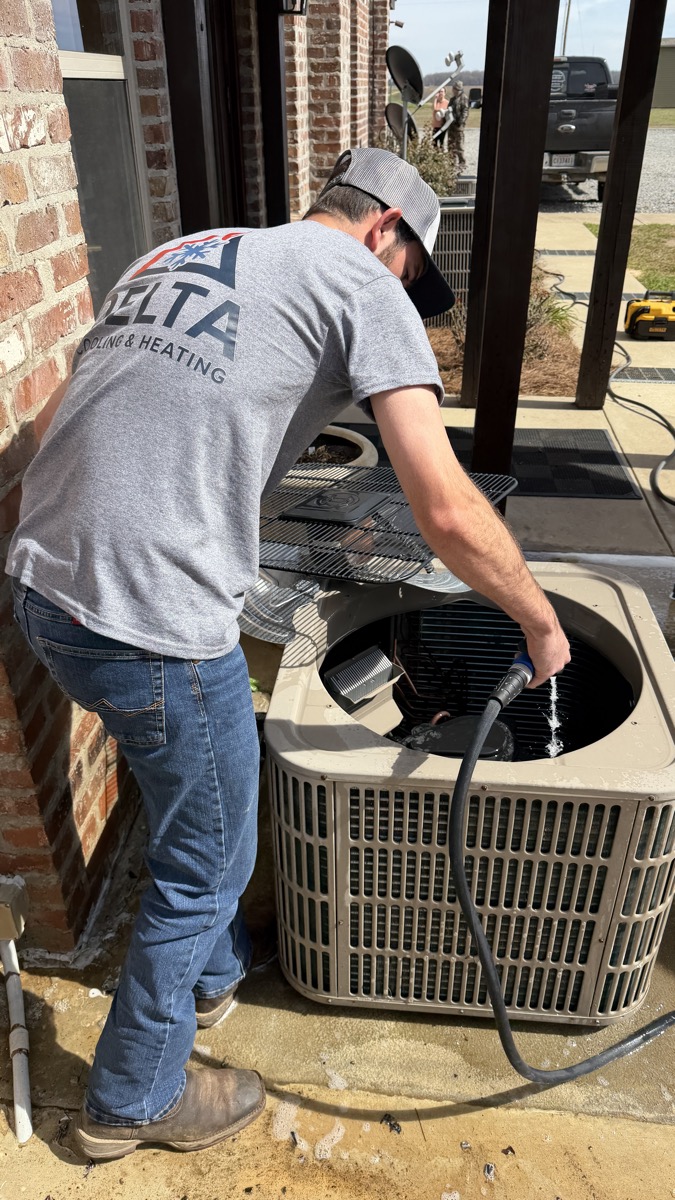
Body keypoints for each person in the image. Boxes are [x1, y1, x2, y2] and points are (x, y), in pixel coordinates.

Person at [7, 147, 570, 1161]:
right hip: (151, 622)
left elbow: (95, 410)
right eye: (410, 269)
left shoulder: (182, 252)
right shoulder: (363, 281)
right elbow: (443, 507)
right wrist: (535, 617)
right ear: (386, 231)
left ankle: (211, 979)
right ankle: (130, 1100)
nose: (405, 290)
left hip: (43, 590)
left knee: (191, 797)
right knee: (208, 857)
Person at [447, 79, 469, 173]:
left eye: (457, 89)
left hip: (458, 126)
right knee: (450, 145)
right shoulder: (452, 99)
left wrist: (461, 121)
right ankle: (451, 163)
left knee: (459, 145)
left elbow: (465, 111)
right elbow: (448, 109)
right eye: (454, 89)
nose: (455, 91)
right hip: (451, 125)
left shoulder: (464, 98)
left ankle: (462, 164)